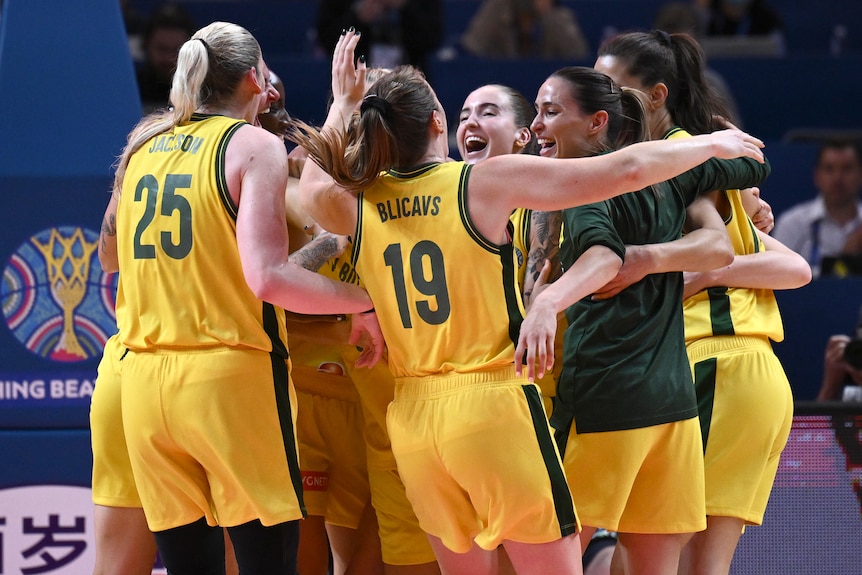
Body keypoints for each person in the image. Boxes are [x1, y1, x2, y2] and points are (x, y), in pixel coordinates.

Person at [289, 30, 765, 575]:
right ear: (437, 124)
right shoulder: (480, 183)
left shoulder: (357, 204)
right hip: (490, 403)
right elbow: (620, 172)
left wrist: (342, 103)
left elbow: (312, 183)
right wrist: (707, 144)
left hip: (415, 418)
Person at [108, 21, 383, 575]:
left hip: (142, 382)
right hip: (226, 380)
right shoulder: (251, 144)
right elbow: (270, 279)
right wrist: (362, 302)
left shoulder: (144, 146)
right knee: (267, 560)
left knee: (191, 563)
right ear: (256, 80)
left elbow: (110, 259)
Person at [519, 64, 772, 575]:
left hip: (604, 396)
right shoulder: (675, 177)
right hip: (673, 406)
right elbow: (753, 168)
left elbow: (605, 258)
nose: (539, 126)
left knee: (546, 551)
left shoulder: (584, 190)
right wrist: (721, 138)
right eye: (537, 112)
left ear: (597, 124)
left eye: (551, 112)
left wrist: (547, 302)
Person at [594, 29, 811, 575]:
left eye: (613, 86)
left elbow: (732, 254)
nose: (604, 99)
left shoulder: (680, 158)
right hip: (711, 370)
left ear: (658, 95)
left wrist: (691, 274)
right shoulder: (682, 156)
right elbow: (791, 264)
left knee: (689, 565)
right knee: (642, 559)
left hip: (715, 363)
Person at [773, 139, 862, 277]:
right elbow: (775, 277)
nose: (837, 178)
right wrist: (845, 259)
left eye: (847, 169)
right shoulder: (791, 225)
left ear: (860, 175)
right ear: (817, 176)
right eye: (829, 169)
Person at [315, 0, 444, 73]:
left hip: (410, 81)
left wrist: (405, 7)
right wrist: (358, 18)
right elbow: (327, 39)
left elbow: (432, 38)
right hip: (355, 81)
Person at [459, 0, 589, 60]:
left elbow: (577, 54)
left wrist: (549, 14)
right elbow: (472, 46)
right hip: (501, 80)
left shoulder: (558, 17)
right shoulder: (497, 8)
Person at [135, 1, 196, 114]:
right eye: (162, 49)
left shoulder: (207, 92)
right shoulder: (131, 90)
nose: (169, 58)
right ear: (146, 46)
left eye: (177, 50)